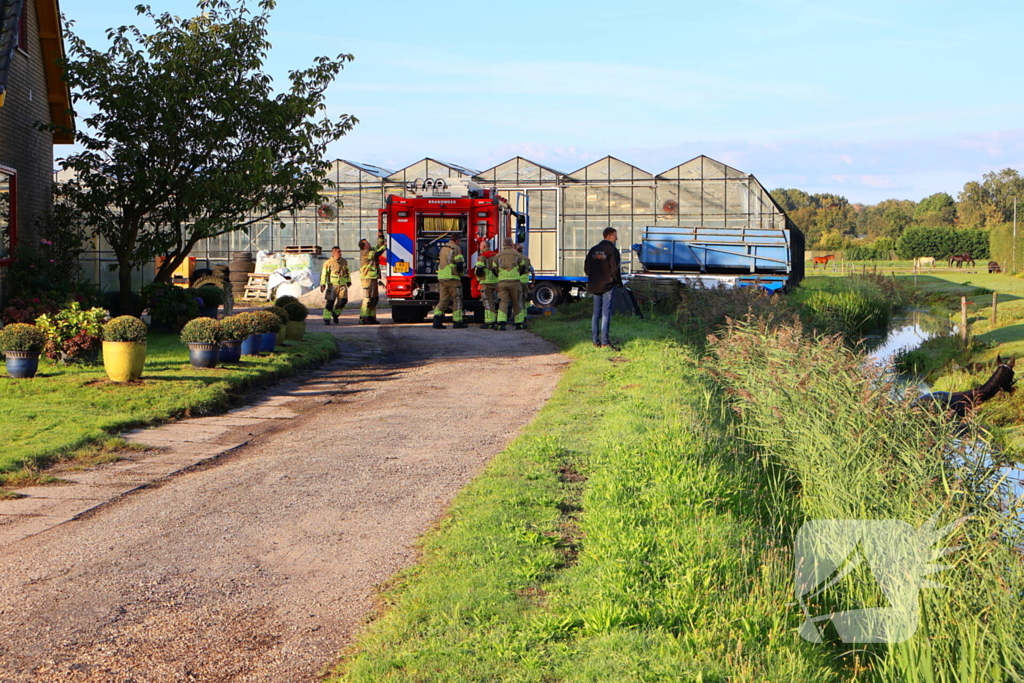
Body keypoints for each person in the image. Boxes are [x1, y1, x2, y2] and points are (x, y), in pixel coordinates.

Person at [584, 227, 622, 348]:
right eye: (615, 235)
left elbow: (586, 268)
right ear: (609, 236)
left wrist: (594, 278)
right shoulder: (612, 250)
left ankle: (595, 341)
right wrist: (618, 282)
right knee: (606, 313)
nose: (617, 238)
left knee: (596, 314)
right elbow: (615, 269)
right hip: (608, 286)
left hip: (595, 285)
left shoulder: (593, 250)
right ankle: (605, 342)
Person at [432, 235, 468, 329]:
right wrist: (461, 273)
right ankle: (457, 322)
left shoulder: (443, 248)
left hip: (442, 278)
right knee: (457, 299)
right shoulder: (456, 248)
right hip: (453, 278)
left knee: (443, 300)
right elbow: (459, 264)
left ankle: (437, 320)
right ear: (457, 241)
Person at [491, 238, 526, 331]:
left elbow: (494, 269)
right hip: (515, 282)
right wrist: (518, 274)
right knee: (516, 302)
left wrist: (499, 276)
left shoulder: (498, 255)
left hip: (503, 282)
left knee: (503, 302)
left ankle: (501, 323)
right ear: (512, 245)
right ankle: (519, 323)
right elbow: (523, 267)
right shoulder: (517, 255)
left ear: (503, 245)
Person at [358, 233, 387, 324]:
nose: (369, 244)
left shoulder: (370, 251)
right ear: (363, 246)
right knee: (367, 298)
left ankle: (371, 317)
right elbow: (377, 253)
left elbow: (378, 246)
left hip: (373, 277)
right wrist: (385, 246)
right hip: (367, 278)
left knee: (374, 298)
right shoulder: (365, 253)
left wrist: (381, 238)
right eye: (367, 243)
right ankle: (363, 318)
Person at [319, 246, 351, 325]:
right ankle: (326, 318)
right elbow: (324, 274)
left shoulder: (344, 261)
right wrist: (323, 284)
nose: (340, 253)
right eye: (338, 252)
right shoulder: (328, 263)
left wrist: (348, 281)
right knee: (330, 302)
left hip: (342, 285)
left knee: (343, 301)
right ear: (333, 253)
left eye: (340, 252)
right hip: (332, 285)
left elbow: (347, 272)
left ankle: (336, 314)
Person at [474, 245, 499, 329]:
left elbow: (479, 269)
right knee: (492, 302)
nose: (479, 248)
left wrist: (477, 276)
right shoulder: (495, 255)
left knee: (487, 302)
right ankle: (493, 320)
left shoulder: (483, 256)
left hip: (486, 282)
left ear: (484, 246)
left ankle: (489, 322)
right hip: (495, 282)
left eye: (480, 246)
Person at [514, 243, 534, 329]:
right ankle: (524, 318)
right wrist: (532, 283)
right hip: (525, 282)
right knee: (525, 301)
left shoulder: (515, 259)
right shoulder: (527, 259)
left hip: (517, 282)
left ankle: (519, 320)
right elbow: (532, 271)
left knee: (518, 301)